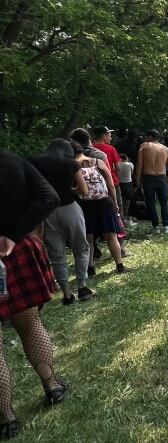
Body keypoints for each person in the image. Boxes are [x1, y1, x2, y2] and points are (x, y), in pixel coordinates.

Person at [0, 152, 69, 440]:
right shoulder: (11, 161)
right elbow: (49, 197)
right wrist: (13, 234)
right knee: (29, 325)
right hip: (17, 251)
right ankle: (52, 386)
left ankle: (7, 418)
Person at [29, 139, 94, 304]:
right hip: (70, 209)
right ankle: (82, 287)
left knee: (57, 256)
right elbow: (84, 191)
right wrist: (72, 190)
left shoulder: (35, 162)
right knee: (81, 249)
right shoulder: (71, 165)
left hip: (47, 212)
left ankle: (66, 294)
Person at [73, 141, 127, 274]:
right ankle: (120, 265)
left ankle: (90, 268)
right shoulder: (98, 162)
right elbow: (110, 185)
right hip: (104, 202)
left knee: (88, 239)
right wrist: (114, 203)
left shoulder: (72, 166)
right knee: (111, 237)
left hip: (85, 205)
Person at [136, 130, 168, 233]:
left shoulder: (144, 146)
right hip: (161, 178)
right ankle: (166, 225)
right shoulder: (165, 149)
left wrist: (138, 179)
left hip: (148, 177)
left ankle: (156, 227)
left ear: (150, 137)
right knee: (163, 202)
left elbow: (140, 164)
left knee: (151, 202)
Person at [116, 154, 135, 225]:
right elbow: (132, 172)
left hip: (120, 183)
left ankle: (122, 218)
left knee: (121, 201)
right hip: (128, 183)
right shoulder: (130, 164)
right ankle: (128, 217)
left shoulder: (117, 164)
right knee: (128, 200)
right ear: (126, 158)